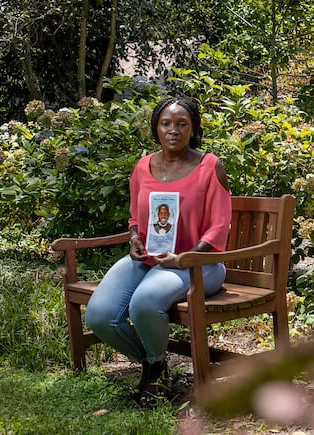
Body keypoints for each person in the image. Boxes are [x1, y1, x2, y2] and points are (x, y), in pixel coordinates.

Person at [85, 97, 232, 405]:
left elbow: (219, 227)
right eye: (166, 123)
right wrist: (135, 238)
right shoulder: (143, 167)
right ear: (156, 128)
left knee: (145, 302)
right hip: (150, 259)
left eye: (182, 124)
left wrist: (186, 257)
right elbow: (136, 217)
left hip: (199, 264)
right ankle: (156, 364)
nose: (173, 130)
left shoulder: (209, 166)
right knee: (99, 315)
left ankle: (154, 375)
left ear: (193, 129)